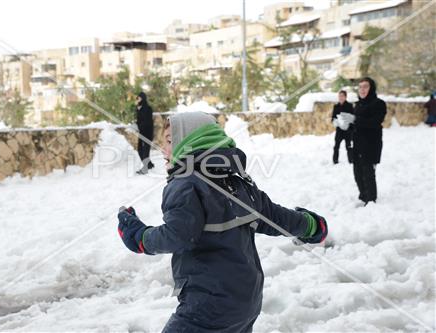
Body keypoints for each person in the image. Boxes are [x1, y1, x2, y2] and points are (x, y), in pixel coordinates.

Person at [117, 112, 328, 332]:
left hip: (206, 308)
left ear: (192, 142)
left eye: (170, 141)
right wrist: (311, 225)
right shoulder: (238, 184)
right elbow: (276, 218)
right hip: (247, 302)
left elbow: (177, 236)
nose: (163, 149)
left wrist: (139, 237)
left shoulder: (184, 186)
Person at [352, 77, 386, 206]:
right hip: (357, 144)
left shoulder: (379, 103)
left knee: (368, 173)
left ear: (371, 88)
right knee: (357, 173)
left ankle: (371, 199)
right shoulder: (357, 104)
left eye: (365, 86)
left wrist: (355, 119)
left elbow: (375, 122)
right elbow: (355, 125)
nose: (362, 89)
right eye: (360, 87)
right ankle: (363, 196)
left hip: (371, 144)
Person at [331, 90, 354, 164]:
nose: (340, 97)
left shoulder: (350, 106)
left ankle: (351, 160)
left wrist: (348, 124)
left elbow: (353, 118)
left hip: (348, 130)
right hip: (339, 130)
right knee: (336, 146)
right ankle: (335, 161)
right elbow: (333, 117)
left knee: (348, 146)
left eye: (342, 96)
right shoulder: (336, 106)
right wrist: (335, 121)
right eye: (339, 96)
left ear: (345, 97)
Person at [135, 92, 154, 174]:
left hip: (147, 132)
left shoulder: (148, 108)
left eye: (139, 98)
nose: (137, 99)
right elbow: (139, 120)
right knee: (139, 149)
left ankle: (145, 168)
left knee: (145, 151)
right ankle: (149, 164)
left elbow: (148, 121)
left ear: (143, 98)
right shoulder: (138, 108)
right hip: (141, 132)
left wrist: (140, 125)